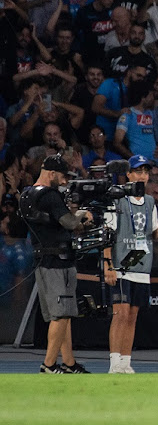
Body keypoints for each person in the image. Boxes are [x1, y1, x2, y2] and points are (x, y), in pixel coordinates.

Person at [22, 155, 93, 374]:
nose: (64, 182)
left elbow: (51, 224)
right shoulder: (50, 195)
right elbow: (69, 223)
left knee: (65, 313)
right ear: (51, 173)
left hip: (45, 258)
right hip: (55, 261)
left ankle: (69, 363)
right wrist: (83, 214)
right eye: (62, 177)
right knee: (61, 314)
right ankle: (49, 364)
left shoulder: (26, 194)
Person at [104, 155, 158, 373]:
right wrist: (108, 266)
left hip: (142, 266)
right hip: (121, 265)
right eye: (138, 171)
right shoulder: (116, 200)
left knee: (133, 315)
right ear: (128, 175)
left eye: (146, 172)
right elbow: (107, 236)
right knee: (120, 314)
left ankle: (126, 362)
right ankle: (115, 362)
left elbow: (152, 234)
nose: (143, 176)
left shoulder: (151, 202)